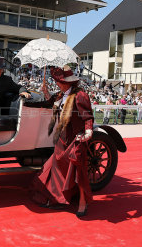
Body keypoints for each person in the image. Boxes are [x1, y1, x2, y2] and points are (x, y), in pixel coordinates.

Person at [28, 65, 94, 217]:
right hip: (61, 138)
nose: (57, 83)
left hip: (75, 138)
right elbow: (51, 103)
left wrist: (88, 131)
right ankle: (61, 197)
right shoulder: (59, 95)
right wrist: (45, 92)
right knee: (57, 171)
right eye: (57, 81)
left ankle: (83, 202)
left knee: (79, 171)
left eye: (59, 81)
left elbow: (87, 116)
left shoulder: (80, 95)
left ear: (67, 82)